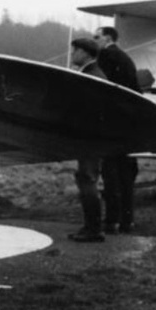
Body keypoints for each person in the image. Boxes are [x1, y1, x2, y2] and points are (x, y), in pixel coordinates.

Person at [94, 26, 141, 235]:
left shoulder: (105, 56)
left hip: (112, 123)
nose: (94, 41)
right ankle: (127, 221)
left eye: (96, 37)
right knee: (126, 174)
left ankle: (111, 221)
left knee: (111, 173)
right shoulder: (125, 58)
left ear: (107, 38)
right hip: (129, 123)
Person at [68, 37, 108, 243]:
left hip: (90, 138)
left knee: (87, 180)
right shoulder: (92, 73)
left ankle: (93, 229)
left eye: (75, 50)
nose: (72, 54)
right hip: (92, 137)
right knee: (86, 179)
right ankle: (91, 227)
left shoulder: (92, 76)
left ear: (85, 53)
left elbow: (88, 110)